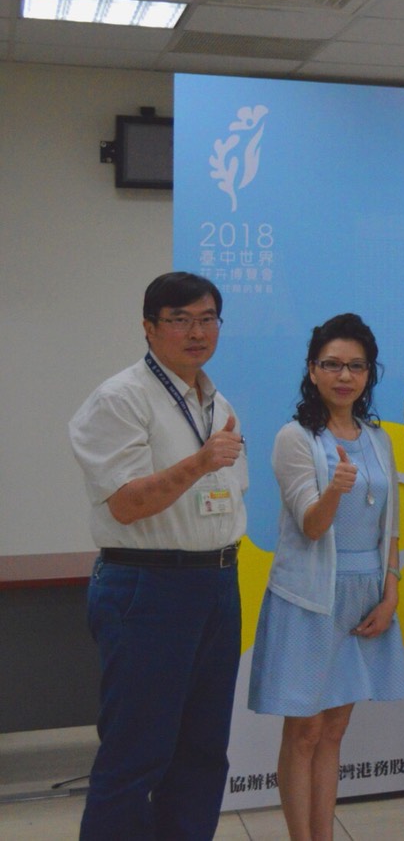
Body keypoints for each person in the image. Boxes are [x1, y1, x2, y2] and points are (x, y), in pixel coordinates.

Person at [68, 272, 248, 840]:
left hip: (216, 582)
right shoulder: (120, 399)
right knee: (137, 752)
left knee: (203, 751)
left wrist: (208, 464)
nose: (197, 332)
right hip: (147, 585)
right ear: (149, 328)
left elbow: (229, 492)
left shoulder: (217, 402)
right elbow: (126, 504)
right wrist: (200, 462)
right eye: (180, 320)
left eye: (207, 319)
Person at [249, 313, 404, 839]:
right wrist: (336, 489)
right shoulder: (295, 438)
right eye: (333, 364)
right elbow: (312, 526)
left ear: (369, 374)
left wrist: (390, 593)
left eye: (356, 366)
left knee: (334, 730)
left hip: (366, 595)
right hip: (309, 598)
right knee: (305, 731)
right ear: (312, 370)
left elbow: (390, 526)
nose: (345, 376)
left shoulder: (377, 438)